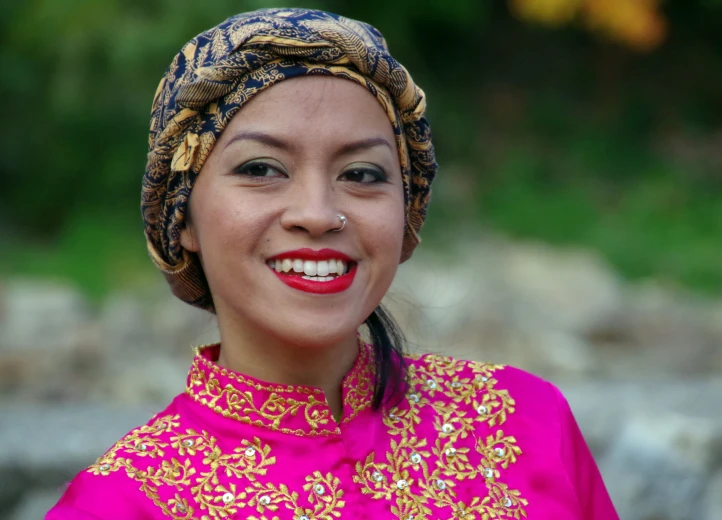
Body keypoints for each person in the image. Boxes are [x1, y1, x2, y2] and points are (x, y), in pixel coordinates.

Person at [45, 8, 619, 520]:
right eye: (262, 169)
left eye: (362, 174)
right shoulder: (122, 503)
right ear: (183, 216)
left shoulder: (527, 422)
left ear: (407, 210)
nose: (318, 214)